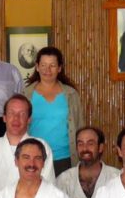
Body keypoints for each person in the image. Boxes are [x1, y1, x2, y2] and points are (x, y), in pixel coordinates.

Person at [0, 94, 55, 198]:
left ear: (29, 119)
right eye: (11, 113)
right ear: (4, 117)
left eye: (22, 114)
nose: (16, 118)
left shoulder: (42, 146)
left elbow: (48, 189)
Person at [22, 46, 83, 175]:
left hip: (65, 158)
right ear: (37, 67)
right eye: (43, 65)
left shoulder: (71, 94)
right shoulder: (26, 95)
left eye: (52, 65)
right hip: (35, 159)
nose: (47, 70)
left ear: (59, 68)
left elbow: (80, 127)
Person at [55, 126, 120, 198]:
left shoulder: (116, 178)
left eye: (90, 143)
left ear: (100, 147)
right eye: (80, 144)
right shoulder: (64, 180)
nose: (85, 148)